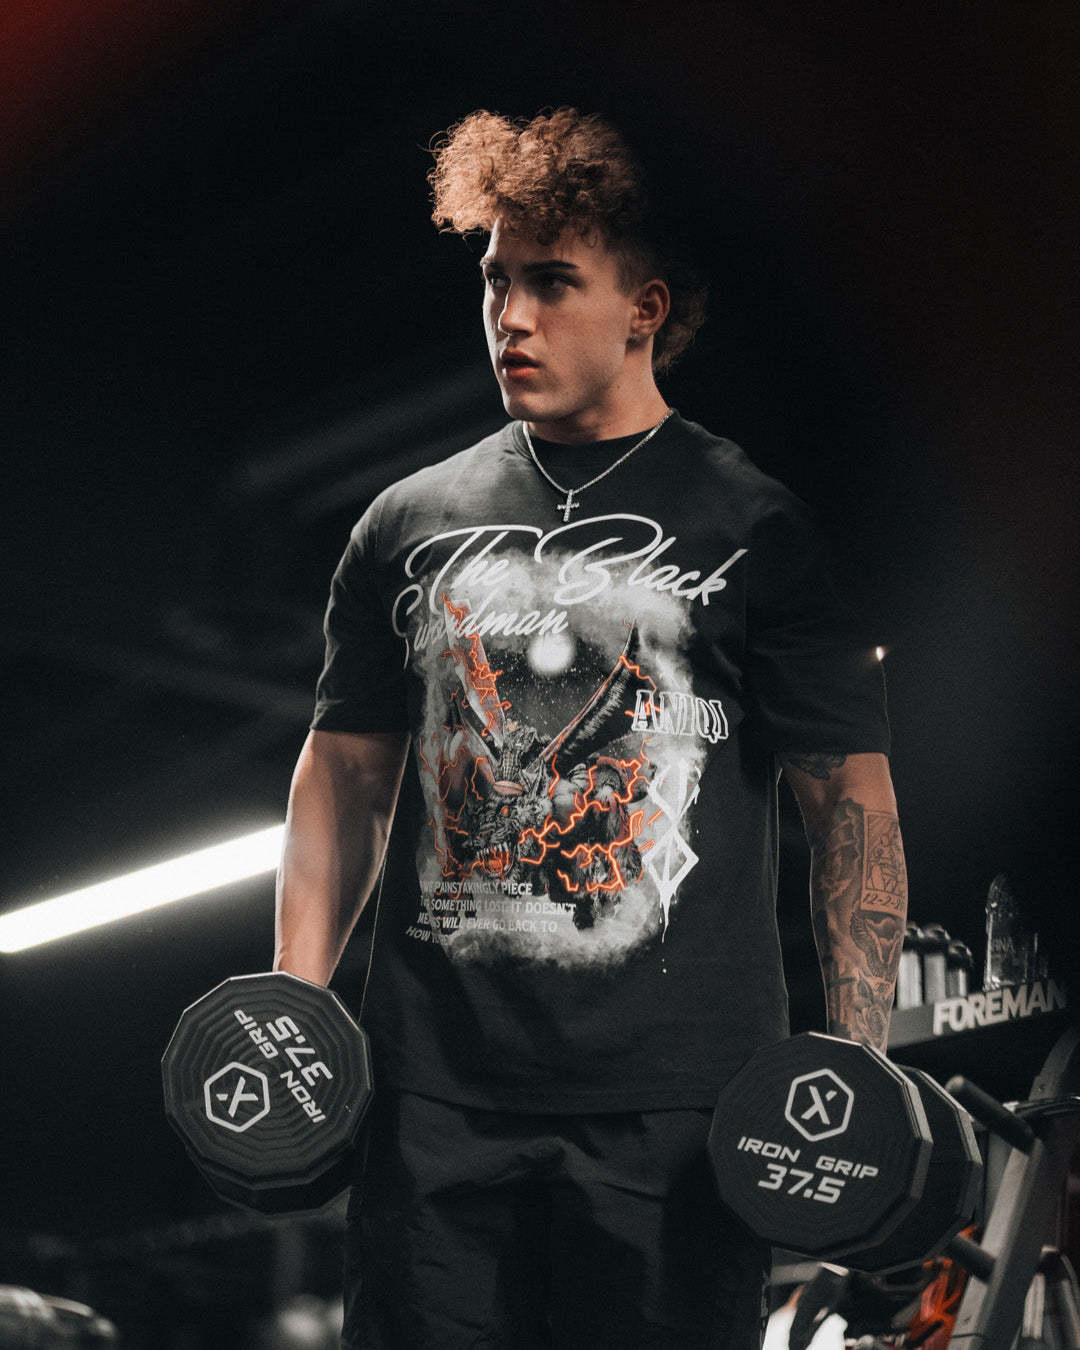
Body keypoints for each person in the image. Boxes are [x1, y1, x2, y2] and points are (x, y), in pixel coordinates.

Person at [274, 108, 908, 1349]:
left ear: (644, 309)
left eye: (552, 282)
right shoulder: (405, 525)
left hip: (678, 1109)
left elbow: (848, 794)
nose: (510, 316)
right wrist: (294, 1009)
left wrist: (856, 1057)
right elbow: (345, 773)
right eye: (495, 280)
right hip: (435, 1104)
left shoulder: (758, 528)